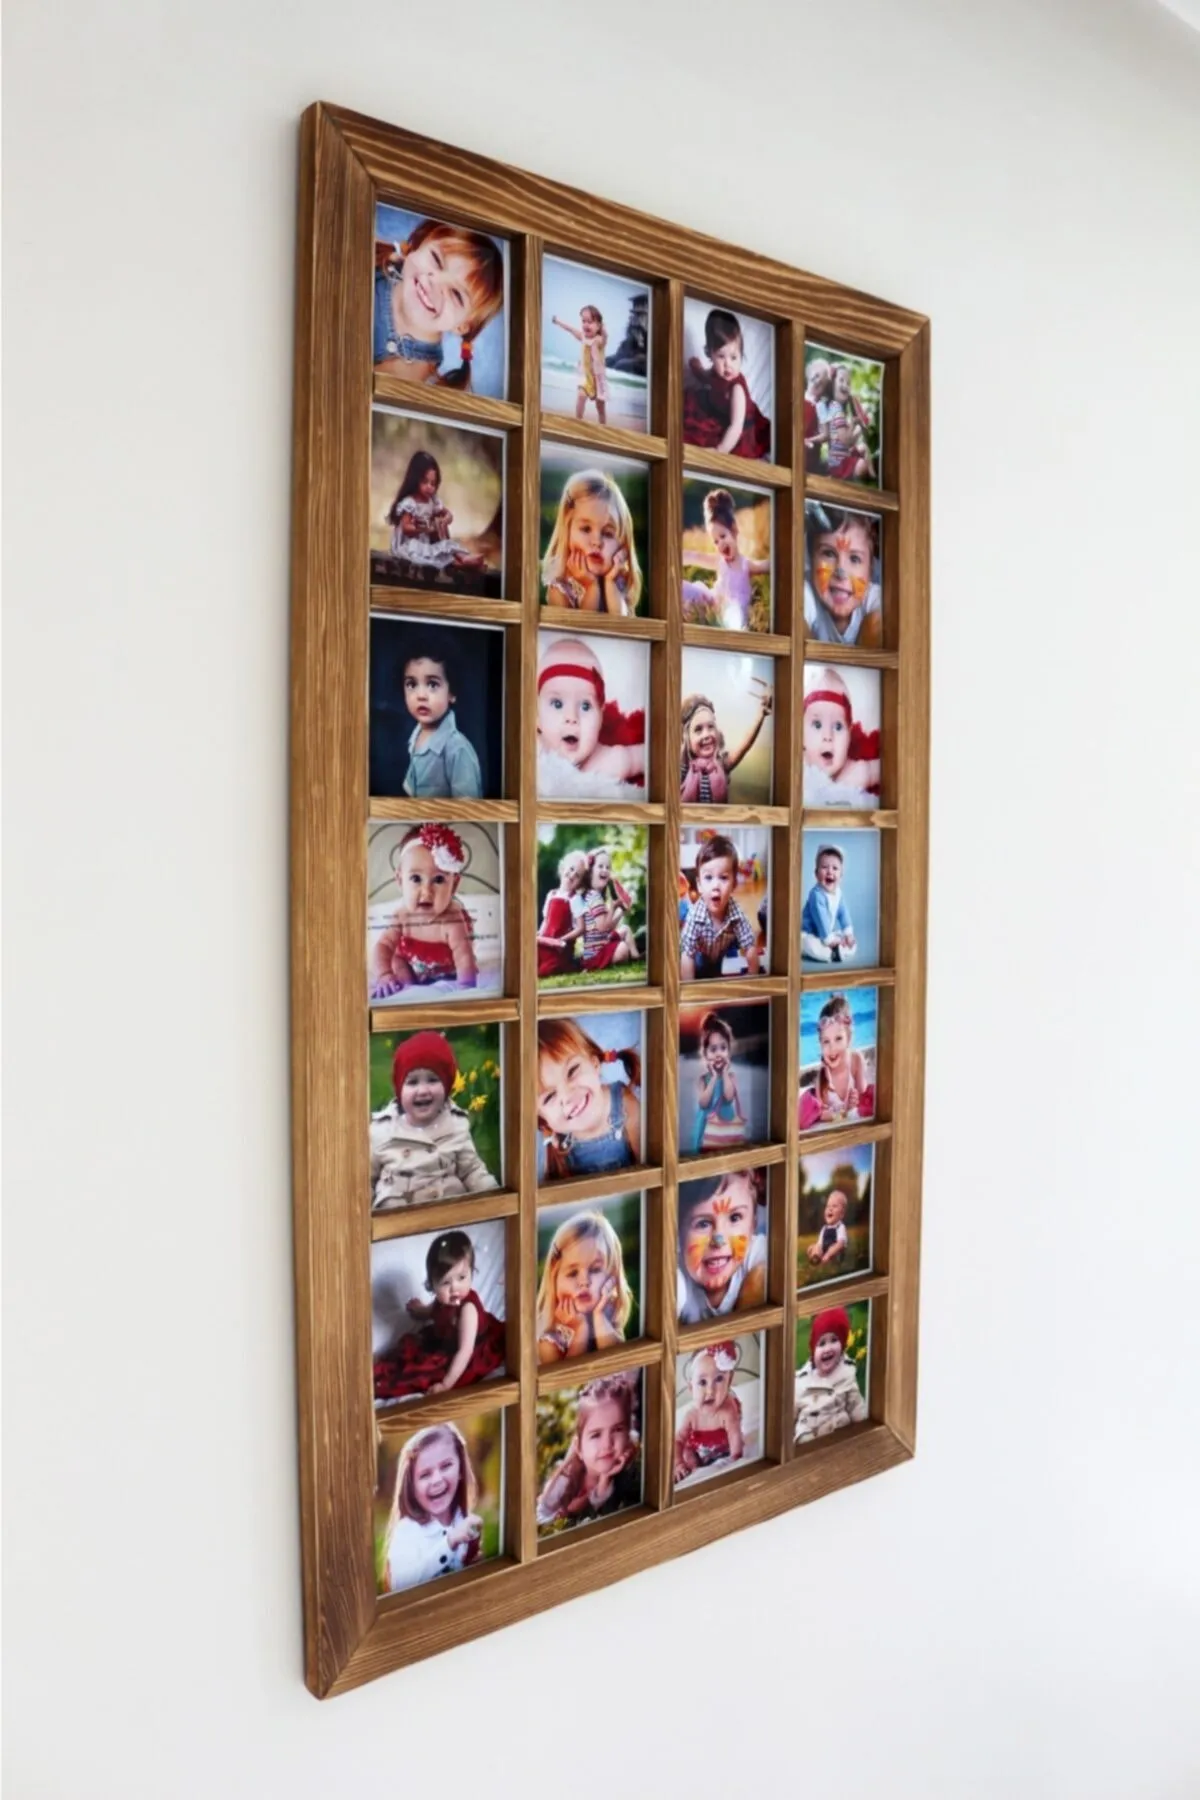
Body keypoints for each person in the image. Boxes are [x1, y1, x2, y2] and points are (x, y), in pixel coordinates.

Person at [370, 1030, 498, 1210]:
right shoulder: (382, 1131)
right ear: (399, 1090)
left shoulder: (455, 1125)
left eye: (432, 1080)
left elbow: (472, 1171)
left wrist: (495, 1201)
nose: (423, 1090)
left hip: (449, 1217)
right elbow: (364, 1183)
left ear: (446, 1087)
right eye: (412, 1082)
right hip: (398, 1221)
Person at [374, 1229, 506, 1402]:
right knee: (409, 1350)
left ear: (472, 1272)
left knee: (423, 1374)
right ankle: (380, 1365)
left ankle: (381, 1381)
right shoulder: (442, 1300)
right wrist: (420, 1310)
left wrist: (446, 1384)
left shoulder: (467, 1310)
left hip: (467, 1351)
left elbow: (465, 1351)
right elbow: (434, 1310)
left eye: (462, 1277)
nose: (455, 1288)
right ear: (433, 1285)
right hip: (444, 1342)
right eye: (445, 1282)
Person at [374, 219, 505, 389]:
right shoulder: (380, 256)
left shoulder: (407, 375)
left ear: (462, 326)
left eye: (456, 294)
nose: (434, 282)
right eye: (436, 259)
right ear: (417, 246)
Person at [370, 824, 479, 999]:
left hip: (447, 969)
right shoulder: (401, 917)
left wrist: (467, 989)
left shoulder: (452, 919)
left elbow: (464, 956)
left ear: (454, 885)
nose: (426, 891)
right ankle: (408, 989)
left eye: (438, 879)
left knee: (466, 965)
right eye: (415, 878)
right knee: (395, 960)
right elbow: (383, 946)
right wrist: (384, 975)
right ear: (400, 880)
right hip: (411, 963)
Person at [536, 636, 645, 798]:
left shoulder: (612, 761)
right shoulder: (532, 750)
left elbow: (650, 755)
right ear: (536, 715)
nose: (571, 717)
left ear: (601, 716)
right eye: (557, 704)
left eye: (585, 706)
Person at [382, 1423, 484, 1593]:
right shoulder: (407, 1531)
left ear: (460, 1469)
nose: (437, 1480)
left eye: (446, 1466)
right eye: (425, 1475)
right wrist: (449, 1543)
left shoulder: (463, 1522)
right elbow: (400, 1584)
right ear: (412, 1486)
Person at [536, 1017, 641, 1179]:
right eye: (549, 1097)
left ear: (594, 1063)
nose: (567, 1095)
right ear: (544, 1121)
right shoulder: (556, 1142)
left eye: (572, 1071)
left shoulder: (624, 1105)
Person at [536, 1374, 641, 1530]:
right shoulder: (565, 1479)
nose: (607, 1444)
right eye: (596, 1435)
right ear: (579, 1448)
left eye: (617, 1429)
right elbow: (541, 1517)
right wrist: (568, 1512)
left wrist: (604, 1479)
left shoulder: (632, 1471)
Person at [535, 1210, 634, 1364]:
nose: (584, 1282)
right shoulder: (550, 1340)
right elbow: (570, 1378)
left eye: (595, 1270)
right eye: (573, 1273)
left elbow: (618, 1367)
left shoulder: (608, 1317)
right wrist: (580, 1330)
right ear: (554, 1280)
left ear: (611, 1277)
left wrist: (599, 1317)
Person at [541, 467, 642, 615]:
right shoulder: (560, 589)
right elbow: (583, 627)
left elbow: (622, 624)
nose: (597, 542)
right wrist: (591, 587)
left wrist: (610, 582)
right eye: (586, 529)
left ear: (622, 545)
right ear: (567, 532)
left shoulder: (617, 582)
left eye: (607, 534)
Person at [383, 450, 489, 584]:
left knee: (445, 545)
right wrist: (424, 528)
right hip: (409, 545)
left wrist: (445, 520)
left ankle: (463, 558)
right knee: (430, 553)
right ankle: (460, 563)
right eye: (425, 482)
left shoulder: (432, 501)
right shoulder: (410, 503)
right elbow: (406, 528)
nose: (429, 487)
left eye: (433, 483)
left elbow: (448, 514)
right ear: (415, 480)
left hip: (426, 543)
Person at [398, 636, 483, 799]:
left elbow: (468, 808)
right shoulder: (415, 737)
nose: (421, 695)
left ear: (452, 692)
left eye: (432, 684)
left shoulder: (457, 749)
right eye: (412, 684)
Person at [677, 1169, 767, 1321]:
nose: (719, 1241)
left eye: (735, 1218)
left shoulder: (757, 1252)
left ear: (753, 1225)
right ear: (678, 1233)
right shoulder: (677, 1278)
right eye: (703, 1224)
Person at [683, 308, 772, 459]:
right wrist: (697, 370)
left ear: (741, 354)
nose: (727, 364)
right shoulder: (717, 372)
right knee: (686, 402)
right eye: (721, 356)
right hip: (719, 413)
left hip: (737, 427)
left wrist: (720, 451)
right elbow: (707, 377)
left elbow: (736, 427)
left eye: (733, 357)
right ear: (710, 353)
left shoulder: (736, 389)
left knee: (699, 438)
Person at [681, 487, 771, 631]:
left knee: (733, 616)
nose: (720, 544)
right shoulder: (719, 561)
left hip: (732, 614)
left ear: (734, 530)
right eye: (716, 541)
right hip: (712, 603)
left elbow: (767, 565)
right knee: (683, 589)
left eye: (723, 536)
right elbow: (695, 557)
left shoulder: (745, 565)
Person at [680, 833, 759, 980]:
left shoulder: (736, 914)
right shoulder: (695, 917)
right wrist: (688, 987)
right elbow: (687, 955)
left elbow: (750, 946)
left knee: (732, 960)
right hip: (701, 955)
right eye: (708, 877)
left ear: (734, 884)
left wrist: (752, 978)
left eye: (723, 877)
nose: (715, 885)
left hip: (724, 954)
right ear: (699, 885)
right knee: (696, 965)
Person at [804, 504, 882, 648]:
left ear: (870, 571)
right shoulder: (807, 593)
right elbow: (795, 619)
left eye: (854, 559)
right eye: (829, 554)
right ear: (811, 558)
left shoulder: (874, 598)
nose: (841, 573)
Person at [679, 684, 773, 804]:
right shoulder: (683, 768)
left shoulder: (721, 763)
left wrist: (761, 715)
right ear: (687, 738)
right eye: (698, 729)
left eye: (711, 726)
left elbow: (745, 745)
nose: (706, 734)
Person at [802, 667, 880, 808]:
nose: (828, 736)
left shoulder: (856, 772)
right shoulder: (799, 770)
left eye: (838, 726)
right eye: (817, 725)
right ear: (800, 734)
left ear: (849, 736)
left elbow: (891, 769)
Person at [799, 993, 875, 1132]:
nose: (832, 1047)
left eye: (838, 1039)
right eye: (826, 1041)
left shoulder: (855, 1060)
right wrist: (830, 1114)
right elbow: (820, 1112)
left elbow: (863, 1099)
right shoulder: (823, 1075)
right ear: (820, 1043)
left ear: (849, 1037)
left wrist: (855, 1101)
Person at [794, 1307, 868, 1442]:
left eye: (834, 1340)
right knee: (805, 1438)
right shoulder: (801, 1381)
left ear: (842, 1345)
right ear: (813, 1350)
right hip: (811, 1431)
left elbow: (856, 1406)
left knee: (845, 1427)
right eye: (821, 1343)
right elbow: (790, 1416)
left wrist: (863, 1431)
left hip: (838, 1429)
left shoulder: (846, 1373)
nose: (828, 1348)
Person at [674, 1341, 745, 1483]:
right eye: (702, 1382)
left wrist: (736, 1458)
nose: (710, 1391)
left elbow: (735, 1439)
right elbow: (678, 1441)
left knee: (739, 1446)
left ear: (729, 1381)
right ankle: (693, 1471)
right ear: (691, 1388)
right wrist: (678, 1463)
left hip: (724, 1449)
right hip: (697, 1450)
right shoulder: (691, 1416)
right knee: (688, 1455)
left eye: (719, 1379)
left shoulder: (728, 1410)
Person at [575, 845, 638, 975]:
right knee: (622, 948)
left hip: (602, 944)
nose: (605, 869)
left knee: (625, 929)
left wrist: (621, 912)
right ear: (590, 872)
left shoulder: (594, 895)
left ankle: (635, 956)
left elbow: (607, 927)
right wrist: (613, 907)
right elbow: (603, 927)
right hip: (596, 954)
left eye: (608, 867)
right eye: (600, 866)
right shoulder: (594, 897)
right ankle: (622, 957)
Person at [692, 1012, 747, 1154]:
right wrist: (714, 1078)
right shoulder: (703, 1079)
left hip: (726, 1126)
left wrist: (724, 1074)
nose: (718, 1054)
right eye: (713, 1049)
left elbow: (729, 1097)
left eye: (723, 1048)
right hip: (706, 1128)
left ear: (729, 1051)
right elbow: (703, 1103)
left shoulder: (731, 1077)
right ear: (705, 1054)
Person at [550, 304, 609, 424]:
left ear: (598, 326)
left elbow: (605, 338)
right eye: (583, 321)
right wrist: (558, 322)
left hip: (598, 380)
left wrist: (603, 331)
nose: (586, 324)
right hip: (586, 378)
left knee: (600, 407)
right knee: (581, 396)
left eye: (590, 322)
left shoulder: (598, 340)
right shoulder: (583, 337)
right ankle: (578, 421)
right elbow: (570, 329)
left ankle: (603, 427)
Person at [801, 843, 858, 964]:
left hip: (824, 932)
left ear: (841, 877)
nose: (830, 871)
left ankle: (840, 946)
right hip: (809, 932)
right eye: (824, 867)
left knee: (846, 939)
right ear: (816, 874)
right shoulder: (816, 895)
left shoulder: (838, 893)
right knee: (808, 944)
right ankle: (831, 953)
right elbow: (820, 918)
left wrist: (848, 933)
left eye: (835, 868)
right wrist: (829, 939)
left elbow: (843, 913)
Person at [537, 849, 587, 979]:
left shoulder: (575, 899)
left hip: (560, 949)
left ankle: (571, 964)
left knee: (545, 970)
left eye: (577, 875)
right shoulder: (551, 894)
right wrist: (539, 935)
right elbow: (546, 921)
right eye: (571, 869)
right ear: (563, 867)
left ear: (580, 883)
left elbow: (581, 928)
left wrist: (562, 940)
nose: (572, 875)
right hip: (546, 943)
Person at [824, 364, 876, 483]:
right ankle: (857, 477)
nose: (845, 385)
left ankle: (874, 477)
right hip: (839, 463)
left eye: (848, 383)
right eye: (841, 380)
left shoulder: (839, 408)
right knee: (862, 465)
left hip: (844, 456)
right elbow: (847, 441)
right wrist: (857, 426)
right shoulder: (836, 409)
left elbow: (848, 441)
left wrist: (860, 424)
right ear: (832, 384)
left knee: (864, 448)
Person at [803, 356, 833, 473]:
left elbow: (826, 434)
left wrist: (809, 440)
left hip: (809, 452)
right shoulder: (797, 396)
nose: (817, 381)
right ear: (808, 374)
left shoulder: (820, 406)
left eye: (821, 383)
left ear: (824, 389)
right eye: (815, 376)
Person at [807, 1189, 849, 1269]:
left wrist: (829, 1254)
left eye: (834, 1206)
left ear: (842, 1214)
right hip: (825, 1251)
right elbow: (820, 1244)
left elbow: (841, 1244)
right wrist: (816, 1248)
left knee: (834, 1248)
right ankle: (816, 1257)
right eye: (828, 1206)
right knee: (812, 1247)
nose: (830, 1209)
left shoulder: (840, 1227)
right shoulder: (824, 1228)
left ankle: (828, 1259)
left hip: (836, 1253)